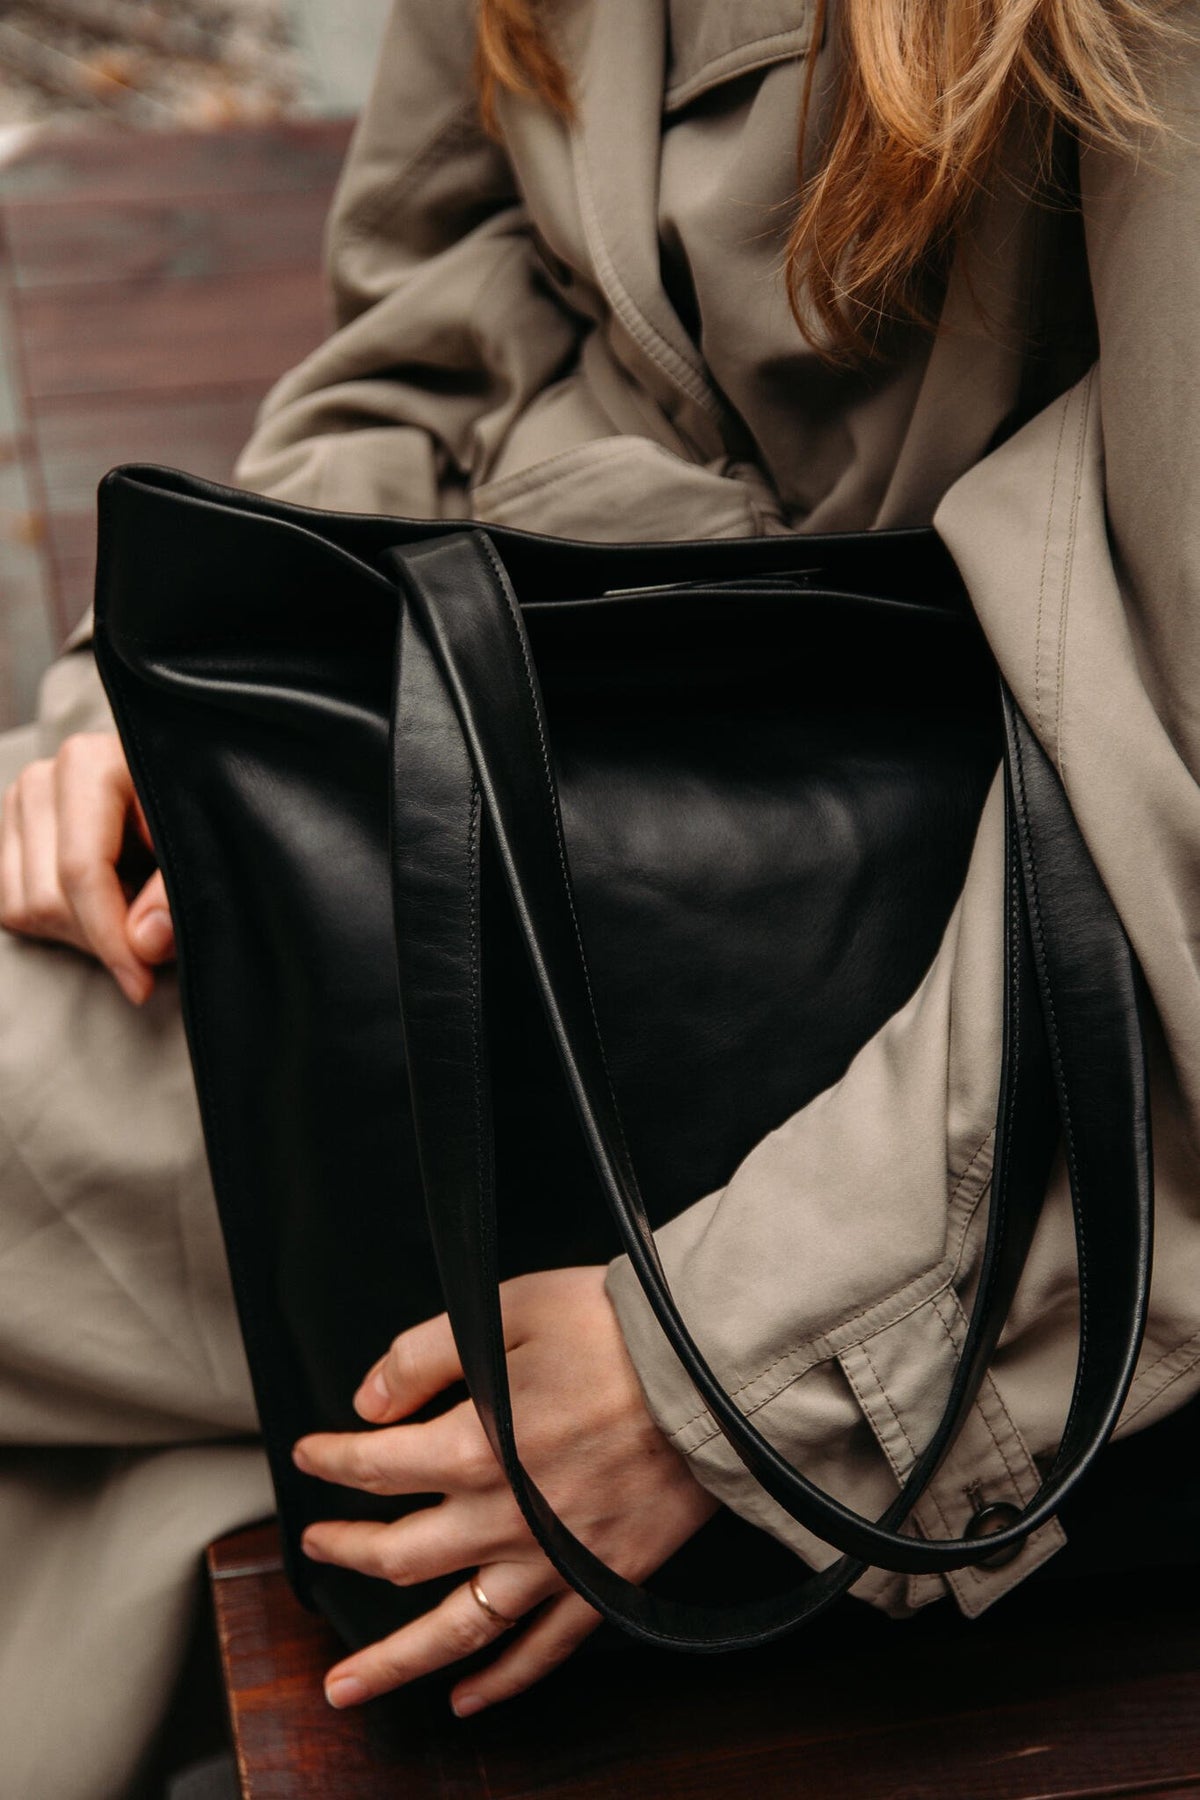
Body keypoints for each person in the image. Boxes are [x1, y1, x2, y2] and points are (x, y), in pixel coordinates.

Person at [3, 0, 1200, 1791]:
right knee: (198, 1501)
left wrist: (722, 1371)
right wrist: (196, 699)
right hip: (498, 776)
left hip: (925, 1043)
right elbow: (452, 294)